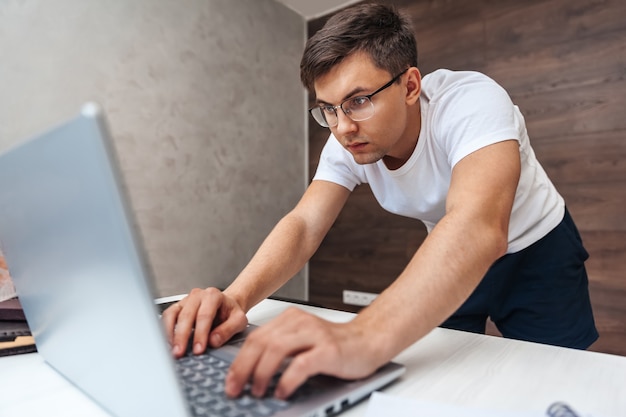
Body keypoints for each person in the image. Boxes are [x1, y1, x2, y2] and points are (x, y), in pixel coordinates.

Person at [162, 2, 597, 401]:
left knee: (559, 380)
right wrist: (237, 298)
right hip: (450, 252)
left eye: (358, 101)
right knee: (442, 378)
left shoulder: (471, 101)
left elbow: (480, 227)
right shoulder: (347, 140)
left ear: (410, 85)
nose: (342, 126)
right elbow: (305, 225)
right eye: (328, 109)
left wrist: (360, 337)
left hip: (538, 249)